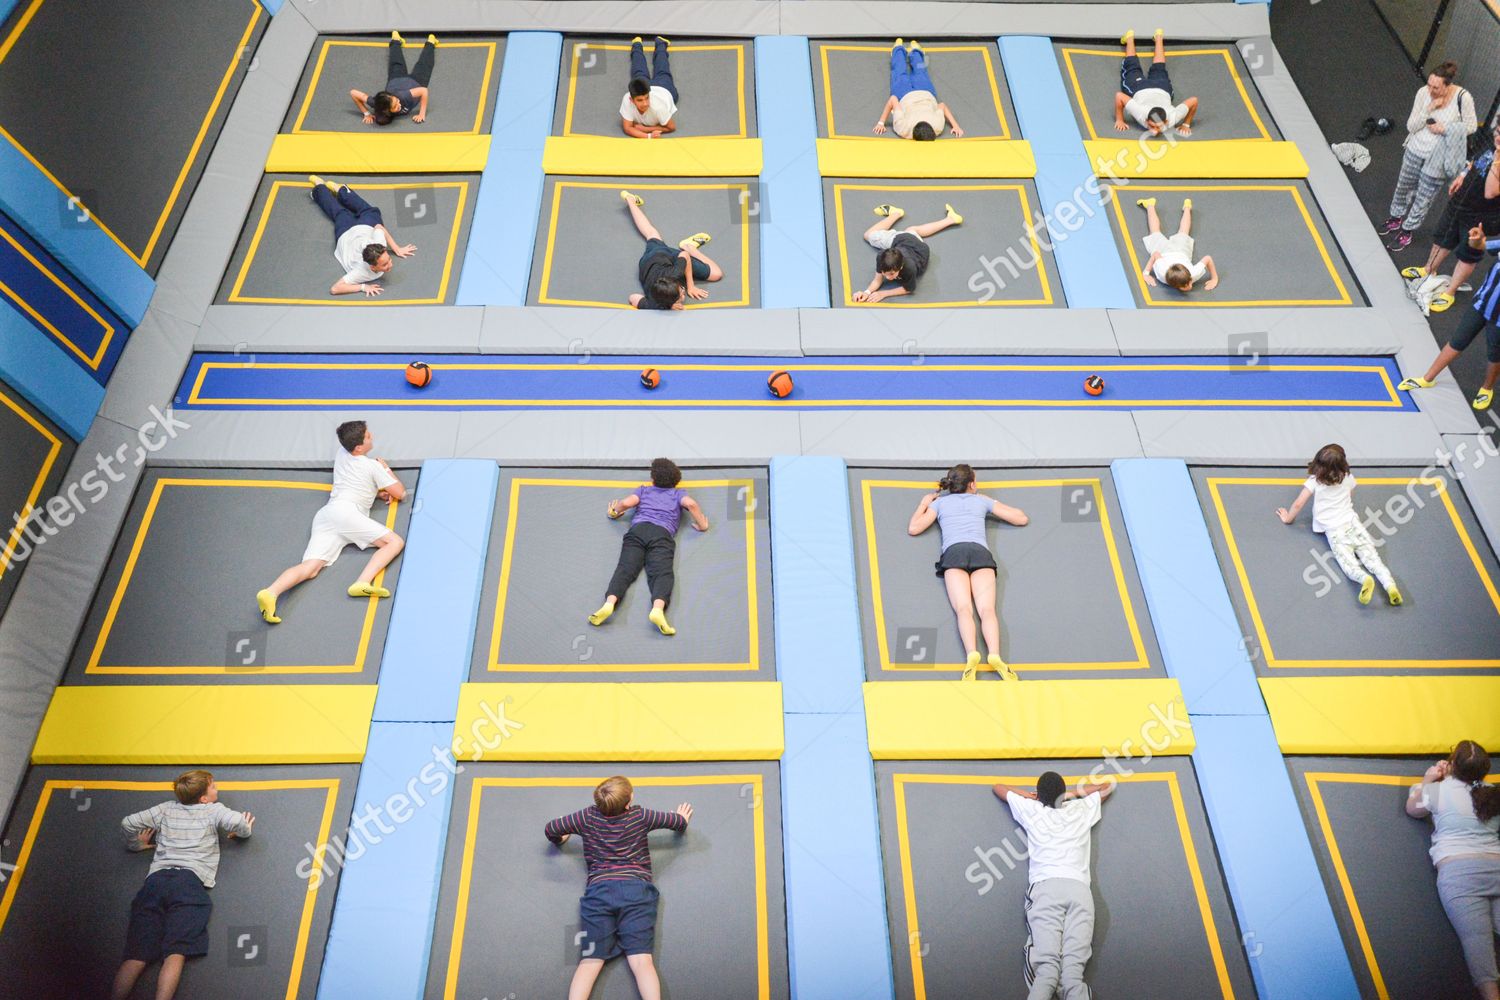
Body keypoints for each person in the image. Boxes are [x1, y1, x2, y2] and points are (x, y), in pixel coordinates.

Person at [545, 776, 692, 1000]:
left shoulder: (586, 816)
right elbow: (678, 824)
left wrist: (561, 838)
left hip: (599, 894)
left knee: (589, 962)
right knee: (642, 961)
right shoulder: (640, 816)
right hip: (637, 892)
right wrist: (681, 817)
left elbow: (551, 829)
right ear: (628, 801)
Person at [111, 770, 254, 1000]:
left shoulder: (165, 809)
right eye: (213, 786)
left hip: (155, 883)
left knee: (136, 955)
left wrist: (136, 845)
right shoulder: (213, 810)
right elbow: (238, 823)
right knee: (176, 952)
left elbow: (128, 822)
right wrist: (243, 830)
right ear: (204, 799)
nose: (217, 788)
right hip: (188, 883)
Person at [256, 421, 406, 624]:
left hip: (326, 516)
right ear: (359, 447)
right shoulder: (373, 466)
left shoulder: (341, 453)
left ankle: (271, 592)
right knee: (394, 542)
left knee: (310, 568)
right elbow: (401, 493)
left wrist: (378, 493)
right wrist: (386, 470)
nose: (371, 436)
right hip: (347, 515)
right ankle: (362, 582)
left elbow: (356, 482)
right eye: (368, 436)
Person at [993, 772, 1114, 1000]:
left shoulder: (1033, 811)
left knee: (1047, 972)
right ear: (1063, 793)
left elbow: (998, 787)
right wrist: (1073, 794)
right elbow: (1107, 786)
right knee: (1072, 976)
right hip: (1079, 893)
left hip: (1046, 891)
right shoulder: (1080, 810)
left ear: (1040, 796)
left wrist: (1032, 797)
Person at [907, 463, 1028, 680]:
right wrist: (991, 501)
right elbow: (1021, 518)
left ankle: (972, 654)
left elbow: (914, 528)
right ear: (971, 484)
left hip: (954, 554)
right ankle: (994, 655)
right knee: (987, 610)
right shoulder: (981, 500)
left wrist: (923, 504)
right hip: (980, 553)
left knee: (964, 609)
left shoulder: (940, 504)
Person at [1404, 740, 1500, 1000]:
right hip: (1496, 867)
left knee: (1476, 939)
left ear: (1452, 764)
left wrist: (1429, 778)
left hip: (1460, 873)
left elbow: (1412, 809)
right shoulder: (1493, 793)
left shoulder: (1437, 791)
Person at [589, 458, 708, 635]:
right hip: (662, 535)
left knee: (625, 570)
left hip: (637, 531)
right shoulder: (678, 494)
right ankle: (657, 610)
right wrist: (702, 524)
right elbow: (690, 504)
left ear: (653, 478)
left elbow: (628, 502)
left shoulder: (644, 490)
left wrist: (615, 512)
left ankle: (609, 604)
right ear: (676, 479)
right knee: (662, 573)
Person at [1276, 443, 1403, 606]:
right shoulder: (1348, 477)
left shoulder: (1315, 481)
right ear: (1343, 464)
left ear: (1318, 464)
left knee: (1349, 565)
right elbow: (1350, 494)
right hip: (1353, 524)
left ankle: (1364, 579)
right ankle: (1390, 586)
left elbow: (1299, 503)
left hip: (1335, 531)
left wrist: (1288, 518)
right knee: (1374, 560)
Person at [1400, 223, 1500, 410]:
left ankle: (1487, 388)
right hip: (1481, 304)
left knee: (1495, 355)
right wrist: (1477, 241)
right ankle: (1427, 378)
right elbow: (1483, 246)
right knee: (1457, 340)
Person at [1383, 61, 1479, 251]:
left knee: (1424, 196)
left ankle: (1407, 230)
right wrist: (1429, 107)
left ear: (1447, 85)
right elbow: (1411, 126)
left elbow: (1471, 126)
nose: (1431, 89)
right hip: (1415, 149)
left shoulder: (1463, 98)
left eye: (1436, 87)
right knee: (1403, 186)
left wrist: (1445, 129)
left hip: (1438, 158)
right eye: (1429, 85)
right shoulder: (1423, 93)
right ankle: (1396, 217)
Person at [1402, 127, 1500, 310]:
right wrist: (1462, 175)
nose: (1498, 138)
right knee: (1443, 236)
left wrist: (1498, 158)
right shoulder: (1490, 143)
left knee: (1468, 253)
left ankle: (1450, 292)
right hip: (1461, 201)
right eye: (1498, 132)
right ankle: (1428, 269)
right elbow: (1475, 161)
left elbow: (1491, 191)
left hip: (1480, 215)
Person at [307, 175, 417, 297]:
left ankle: (340, 190)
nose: (390, 264)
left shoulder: (380, 245)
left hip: (360, 229)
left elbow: (379, 228)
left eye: (389, 260)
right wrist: (363, 287)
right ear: (372, 266)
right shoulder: (361, 273)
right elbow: (335, 289)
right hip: (346, 234)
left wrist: (397, 249)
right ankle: (319, 186)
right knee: (346, 212)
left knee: (362, 212)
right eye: (385, 264)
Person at [619, 191, 721, 309]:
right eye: (682, 293)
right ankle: (630, 200)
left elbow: (685, 255)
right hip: (647, 262)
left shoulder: (675, 272)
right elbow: (633, 297)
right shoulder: (653, 303)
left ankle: (689, 246)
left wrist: (691, 285)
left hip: (662, 255)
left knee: (716, 274)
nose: (684, 290)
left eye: (682, 289)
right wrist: (669, 306)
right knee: (651, 234)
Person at [854, 202, 962, 303]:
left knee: (869, 234)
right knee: (911, 230)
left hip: (920, 250)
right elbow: (877, 281)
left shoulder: (909, 268)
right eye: (885, 273)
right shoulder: (881, 257)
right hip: (902, 241)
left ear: (900, 267)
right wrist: (866, 292)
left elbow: (908, 289)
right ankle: (951, 219)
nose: (888, 278)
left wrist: (884, 293)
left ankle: (896, 213)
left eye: (892, 274)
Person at [1112, 29, 1199, 137]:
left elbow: (1194, 101)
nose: (1154, 131)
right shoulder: (1140, 112)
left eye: (1158, 127)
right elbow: (1119, 96)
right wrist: (1119, 120)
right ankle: (1132, 39)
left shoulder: (1172, 118)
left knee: (1157, 67)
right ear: (1146, 120)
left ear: (1166, 122)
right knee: (1132, 67)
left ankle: (1155, 36)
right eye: (1152, 126)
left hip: (1156, 87)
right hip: (1146, 88)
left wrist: (1186, 124)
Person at [873, 39, 963, 140]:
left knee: (903, 71)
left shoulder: (904, 128)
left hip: (907, 94)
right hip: (923, 93)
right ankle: (915, 51)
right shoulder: (933, 126)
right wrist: (880, 123)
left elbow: (893, 99)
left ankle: (898, 49)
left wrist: (956, 126)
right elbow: (893, 100)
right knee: (915, 71)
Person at [350, 31, 438, 126]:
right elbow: (353, 93)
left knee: (422, 64)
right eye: (395, 106)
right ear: (386, 111)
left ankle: (426, 42)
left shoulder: (402, 96)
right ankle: (429, 41)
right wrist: (366, 114)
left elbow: (423, 91)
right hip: (398, 82)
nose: (399, 104)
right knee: (401, 63)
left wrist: (422, 114)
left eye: (397, 101)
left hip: (412, 82)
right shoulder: (378, 105)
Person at [1137, 196, 1218, 293]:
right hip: (1180, 251)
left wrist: (1214, 279)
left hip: (1167, 252)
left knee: (1156, 232)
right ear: (1175, 285)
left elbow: (1156, 254)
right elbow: (1207, 258)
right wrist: (1145, 274)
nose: (1190, 285)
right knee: (1183, 232)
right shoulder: (1165, 274)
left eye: (1189, 282)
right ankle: (1152, 205)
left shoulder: (1190, 274)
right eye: (1187, 284)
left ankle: (1185, 207)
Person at [620, 36, 677, 139]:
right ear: (631, 100)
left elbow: (672, 127)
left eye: (647, 98)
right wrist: (648, 135)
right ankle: (637, 43)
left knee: (662, 69)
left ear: (649, 94)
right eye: (640, 100)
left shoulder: (658, 107)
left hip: (665, 89)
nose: (645, 103)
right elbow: (627, 128)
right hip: (648, 87)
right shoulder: (626, 100)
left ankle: (660, 43)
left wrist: (646, 129)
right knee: (638, 70)